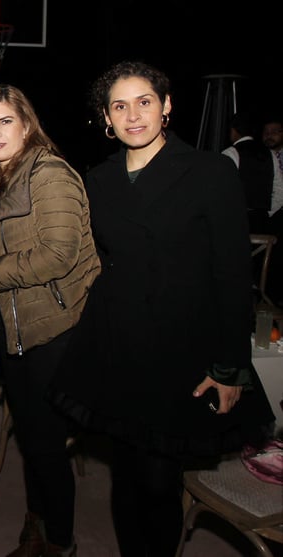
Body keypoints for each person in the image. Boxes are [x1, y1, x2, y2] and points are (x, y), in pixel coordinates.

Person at [49, 61, 275, 557]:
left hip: (180, 350)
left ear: (167, 106)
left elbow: (233, 278)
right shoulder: (101, 178)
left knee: (157, 481)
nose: (133, 115)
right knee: (125, 479)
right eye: (120, 105)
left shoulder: (210, 172)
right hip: (118, 345)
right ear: (106, 118)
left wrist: (231, 367)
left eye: (144, 102)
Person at [0, 84, 101, 557]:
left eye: (6, 121)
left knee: (44, 444)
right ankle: (37, 521)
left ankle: (60, 542)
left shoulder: (49, 173)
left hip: (57, 327)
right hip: (15, 329)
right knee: (33, 437)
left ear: (27, 125)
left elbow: (57, 254)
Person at [221, 112, 274, 234]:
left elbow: (222, 189)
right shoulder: (269, 154)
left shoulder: (230, 153)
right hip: (262, 220)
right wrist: (268, 212)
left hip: (237, 219)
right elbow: (278, 188)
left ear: (233, 130)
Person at [262, 116, 283, 304]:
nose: (269, 136)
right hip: (269, 217)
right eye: (266, 133)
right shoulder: (262, 156)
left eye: (274, 132)